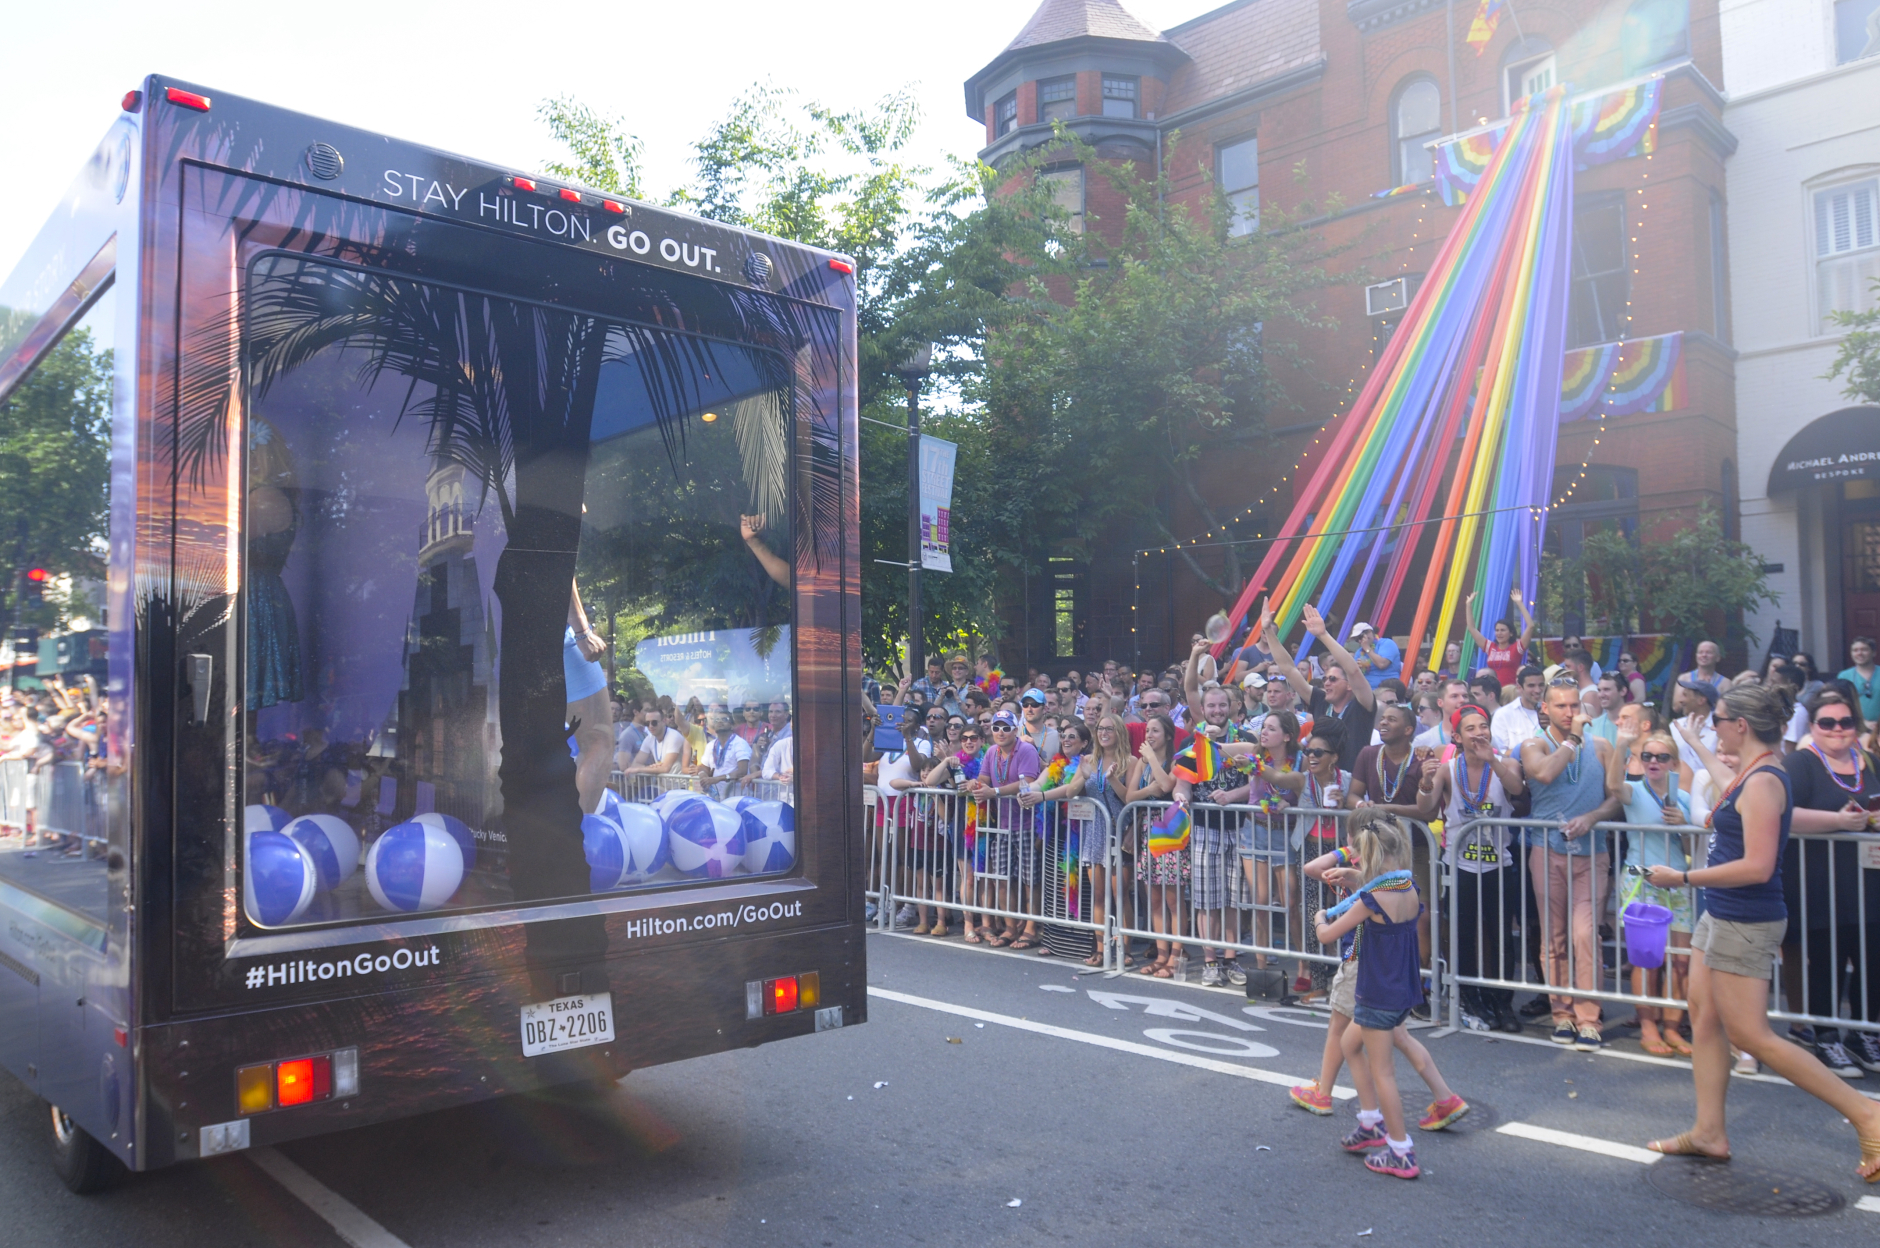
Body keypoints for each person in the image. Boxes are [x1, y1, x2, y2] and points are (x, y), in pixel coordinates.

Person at [1642, 684, 1880, 1177]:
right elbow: (1727, 782)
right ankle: (1709, 1132)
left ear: (1741, 725)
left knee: (1752, 1034)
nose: (1716, 726)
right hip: (1722, 913)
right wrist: (1697, 743)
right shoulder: (1755, 771)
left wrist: (1682, 878)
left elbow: (1758, 866)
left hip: (1745, 918)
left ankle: (1868, 1114)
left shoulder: (1765, 780)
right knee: (1704, 1015)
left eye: (1719, 720)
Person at [1312, 813, 1466, 1179]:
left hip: (1376, 991)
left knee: (1383, 1073)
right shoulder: (1408, 886)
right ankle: (1370, 1122)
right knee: (1350, 1044)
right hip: (1401, 989)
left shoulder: (1372, 899)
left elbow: (1327, 935)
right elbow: (1380, 885)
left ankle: (1400, 1150)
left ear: (1369, 856)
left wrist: (1319, 916)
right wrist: (1357, 878)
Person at [1521, 677, 1626, 1050]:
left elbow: (1617, 796)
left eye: (1574, 706)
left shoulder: (1602, 746)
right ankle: (1562, 1014)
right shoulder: (1533, 744)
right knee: (1554, 936)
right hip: (1546, 850)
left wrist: (1594, 816)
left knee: (1585, 934)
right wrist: (1573, 740)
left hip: (1591, 852)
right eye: (1561, 706)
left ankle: (1589, 1019)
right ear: (1545, 708)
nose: (1569, 712)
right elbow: (1544, 773)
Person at [1780, 687, 1880, 1075]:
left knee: (1872, 961)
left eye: (1846, 721)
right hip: (1819, 881)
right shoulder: (1800, 763)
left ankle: (1863, 1034)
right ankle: (1825, 1037)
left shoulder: (1868, 761)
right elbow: (1784, 814)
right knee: (1827, 962)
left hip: (1869, 881)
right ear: (1814, 726)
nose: (1838, 729)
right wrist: (1838, 821)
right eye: (1827, 722)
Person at [1417, 703, 1526, 1033]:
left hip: (1498, 865)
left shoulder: (1504, 763)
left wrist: (1493, 760)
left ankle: (1502, 1002)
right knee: (1462, 934)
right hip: (1460, 865)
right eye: (1471, 728)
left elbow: (1517, 790)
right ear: (1457, 737)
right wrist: (1425, 782)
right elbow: (1426, 809)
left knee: (1500, 936)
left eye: (1483, 726)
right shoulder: (1448, 769)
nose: (1479, 733)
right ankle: (1470, 998)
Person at [1607, 722, 1698, 1057]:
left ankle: (1672, 1028)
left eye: (1661, 757)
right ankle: (1648, 1028)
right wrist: (1622, 745)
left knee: (1681, 961)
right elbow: (1613, 786)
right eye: (1647, 756)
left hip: (1677, 879)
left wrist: (1684, 825)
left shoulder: (1684, 799)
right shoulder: (1634, 790)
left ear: (1674, 763)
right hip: (1641, 877)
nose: (1654, 761)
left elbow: (1691, 847)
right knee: (1646, 960)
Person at [1221, 710, 1308, 986]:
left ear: (1287, 736)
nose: (1264, 732)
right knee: (1259, 902)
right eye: (1264, 727)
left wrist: (1290, 803)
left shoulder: (1301, 760)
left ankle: (1304, 966)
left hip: (1286, 834)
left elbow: (1306, 793)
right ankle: (1261, 970)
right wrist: (1209, 737)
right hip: (1254, 829)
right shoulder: (1254, 751)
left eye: (1271, 728)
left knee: (1290, 903)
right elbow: (1219, 748)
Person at [1265, 603, 1376, 772]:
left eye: (1333, 679)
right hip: (1319, 781)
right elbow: (1288, 669)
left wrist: (1323, 635)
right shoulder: (1321, 701)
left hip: (1353, 783)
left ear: (1349, 685)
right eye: (1325, 678)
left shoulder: (1362, 705)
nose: (1326, 683)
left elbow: (1353, 670)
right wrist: (1268, 631)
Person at [966, 711, 1042, 949]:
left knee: (1030, 880)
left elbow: (1028, 783)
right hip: (1002, 825)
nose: (1000, 732)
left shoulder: (1027, 750)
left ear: (1015, 730)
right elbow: (984, 778)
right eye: (996, 727)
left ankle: (1031, 928)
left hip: (1028, 824)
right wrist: (975, 784)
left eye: (1006, 728)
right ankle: (1010, 927)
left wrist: (994, 792)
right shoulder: (991, 751)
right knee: (1002, 878)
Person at [1128, 714, 1183, 977]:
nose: (1149, 735)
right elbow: (1130, 796)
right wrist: (1148, 791)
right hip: (1147, 829)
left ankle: (1176, 955)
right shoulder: (1142, 761)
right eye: (1147, 731)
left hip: (1170, 829)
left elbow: (1166, 785)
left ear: (1168, 735)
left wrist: (1151, 759)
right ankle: (1161, 954)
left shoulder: (1176, 759)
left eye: (1155, 731)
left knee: (1173, 899)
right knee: (1154, 898)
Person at [563, 582, 614, 814]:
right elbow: (557, 566)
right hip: (556, 640)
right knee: (597, 740)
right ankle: (579, 827)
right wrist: (582, 632)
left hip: (502, 644)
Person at [1464, 587, 1535, 688]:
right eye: (1497, 630)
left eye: (1503, 630)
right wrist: (1468, 605)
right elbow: (1472, 629)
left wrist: (1519, 603)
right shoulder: (1491, 647)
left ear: (1511, 633)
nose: (1499, 633)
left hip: (1510, 691)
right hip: (1493, 691)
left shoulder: (1516, 647)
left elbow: (1531, 626)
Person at [1672, 674, 1723, 774]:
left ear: (1701, 700)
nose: (1681, 701)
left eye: (1686, 695)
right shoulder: (1675, 726)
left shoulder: (1719, 729)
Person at [622, 702, 689, 777]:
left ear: (664, 721)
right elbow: (636, 763)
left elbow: (665, 768)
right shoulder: (649, 739)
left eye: (654, 722)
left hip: (680, 782)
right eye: (647, 723)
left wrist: (639, 769)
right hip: (664, 782)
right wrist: (649, 768)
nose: (650, 726)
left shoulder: (674, 736)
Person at [1490, 666, 1545, 756]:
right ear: (1519, 687)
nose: (1537, 690)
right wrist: (1529, 749)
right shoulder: (1503, 714)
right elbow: (1500, 753)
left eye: (1541, 685)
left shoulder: (1554, 712)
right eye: (1531, 686)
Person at [1347, 621, 1402, 688]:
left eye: (1360, 637)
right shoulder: (1359, 652)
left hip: (1388, 687)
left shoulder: (1387, 643)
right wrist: (1361, 668)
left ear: (1370, 632)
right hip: (1367, 690)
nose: (1359, 641)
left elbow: (1382, 664)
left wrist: (1367, 648)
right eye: (1357, 639)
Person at [1840, 636, 1880, 726]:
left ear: (1874, 652)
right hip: (1854, 727)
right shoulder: (1844, 676)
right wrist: (1863, 723)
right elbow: (1840, 704)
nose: (1859, 653)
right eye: (1855, 650)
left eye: (1864, 650)